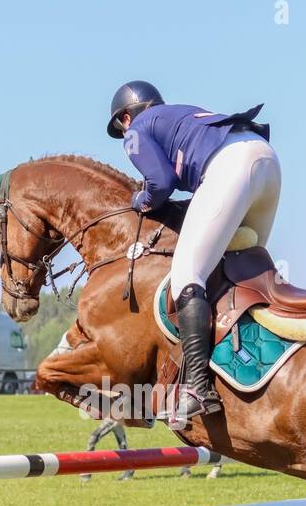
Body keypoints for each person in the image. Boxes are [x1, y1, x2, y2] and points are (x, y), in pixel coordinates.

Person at [107, 80, 279, 426]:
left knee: (188, 275)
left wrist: (141, 200)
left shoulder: (136, 129)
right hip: (266, 160)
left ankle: (198, 388)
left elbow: (160, 183)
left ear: (126, 116)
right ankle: (255, 361)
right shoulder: (178, 116)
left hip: (230, 166)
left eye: (121, 123)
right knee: (245, 268)